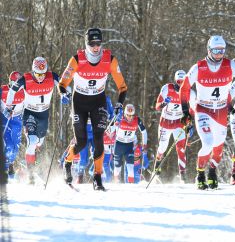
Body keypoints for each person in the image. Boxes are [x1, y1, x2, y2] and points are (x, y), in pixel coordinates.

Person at [58, 27, 128, 191]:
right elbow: (62, 84)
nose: (96, 47)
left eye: (98, 43)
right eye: (92, 43)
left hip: (98, 101)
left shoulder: (109, 60)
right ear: (86, 43)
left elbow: (122, 87)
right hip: (79, 102)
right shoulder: (77, 59)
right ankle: (68, 162)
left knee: (99, 139)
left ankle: (97, 177)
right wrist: (63, 94)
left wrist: (119, 104)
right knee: (81, 141)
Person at [179, 35, 235, 190]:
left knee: (217, 148)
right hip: (203, 109)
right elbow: (184, 88)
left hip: (221, 111)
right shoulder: (199, 67)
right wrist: (185, 112)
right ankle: (200, 173)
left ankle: (212, 172)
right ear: (209, 50)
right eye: (215, 51)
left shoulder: (230, 65)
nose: (218, 54)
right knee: (208, 142)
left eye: (221, 51)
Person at [4, 58, 61, 184]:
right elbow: (12, 91)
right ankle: (30, 175)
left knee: (39, 142)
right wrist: (8, 107)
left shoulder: (52, 77)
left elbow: (63, 85)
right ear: (33, 71)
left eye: (43, 74)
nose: (40, 77)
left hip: (44, 114)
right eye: (37, 74)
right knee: (33, 140)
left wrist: (65, 94)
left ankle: (33, 156)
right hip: (29, 113)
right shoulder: (25, 79)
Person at [154, 70, 194, 183]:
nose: (181, 84)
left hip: (178, 123)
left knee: (181, 148)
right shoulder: (167, 88)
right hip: (165, 123)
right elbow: (157, 106)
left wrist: (190, 124)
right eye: (178, 81)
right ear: (175, 81)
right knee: (162, 147)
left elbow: (192, 110)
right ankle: (157, 169)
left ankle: (182, 175)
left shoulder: (190, 92)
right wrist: (163, 103)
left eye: (183, 82)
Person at [113, 104, 147, 183]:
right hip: (119, 145)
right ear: (124, 114)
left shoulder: (137, 120)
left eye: (132, 115)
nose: (130, 117)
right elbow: (110, 131)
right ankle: (115, 181)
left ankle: (131, 187)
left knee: (130, 168)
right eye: (128, 115)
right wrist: (114, 124)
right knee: (117, 169)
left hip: (129, 146)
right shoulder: (120, 118)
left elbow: (144, 132)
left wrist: (144, 144)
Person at [1, 71, 25, 179]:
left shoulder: (24, 91)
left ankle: (10, 164)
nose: (16, 86)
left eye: (18, 83)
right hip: (5, 120)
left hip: (17, 120)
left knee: (16, 146)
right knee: (9, 145)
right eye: (13, 82)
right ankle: (5, 165)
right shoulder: (3, 90)